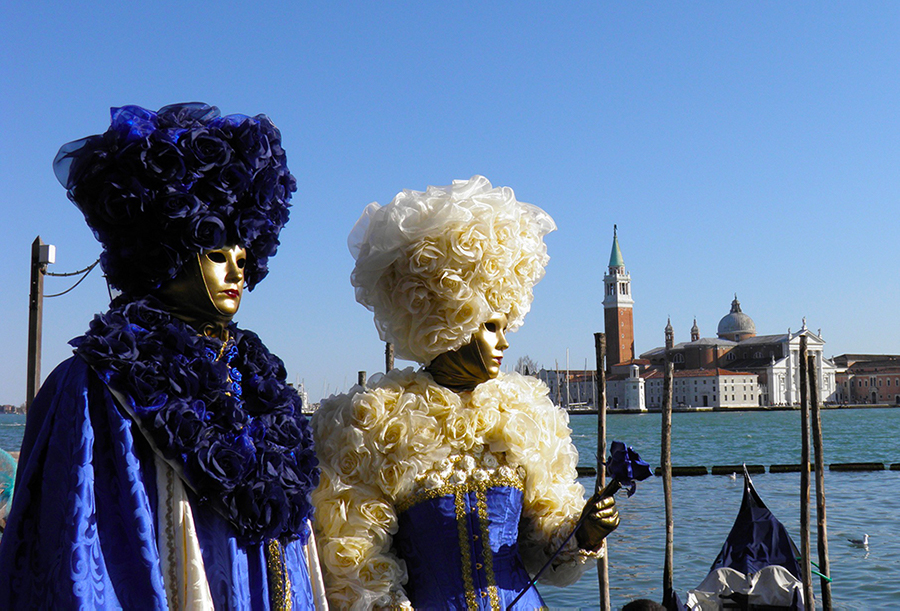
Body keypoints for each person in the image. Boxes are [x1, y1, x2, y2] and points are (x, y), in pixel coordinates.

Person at [0, 103, 323, 609]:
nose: (237, 273)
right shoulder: (95, 385)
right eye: (216, 255)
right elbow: (78, 558)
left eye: (243, 257)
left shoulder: (256, 378)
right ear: (164, 250)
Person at [312, 176, 619, 609]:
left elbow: (544, 553)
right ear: (450, 322)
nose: (505, 343)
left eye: (505, 326)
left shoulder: (525, 415)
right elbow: (358, 566)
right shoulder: (374, 425)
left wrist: (583, 532)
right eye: (491, 327)